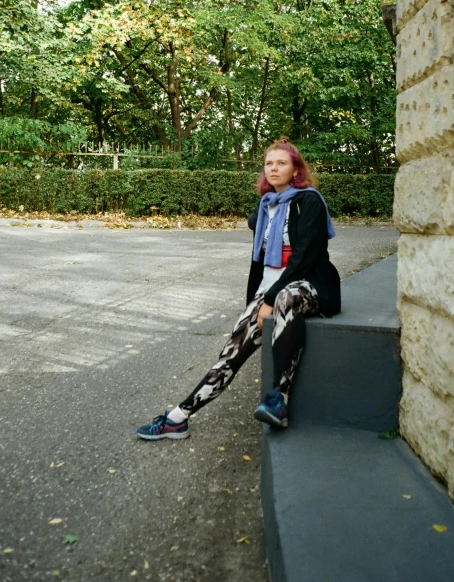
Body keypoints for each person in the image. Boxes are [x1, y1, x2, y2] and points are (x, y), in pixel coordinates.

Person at [136, 137, 341, 440]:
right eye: (269, 163)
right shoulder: (266, 206)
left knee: (286, 297)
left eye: (281, 163)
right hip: (272, 288)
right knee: (232, 352)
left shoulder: (309, 201)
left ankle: (278, 400)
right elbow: (259, 257)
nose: (274, 168)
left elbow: (304, 258)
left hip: (309, 285)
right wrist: (254, 304)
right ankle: (179, 417)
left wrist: (270, 300)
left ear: (295, 169)